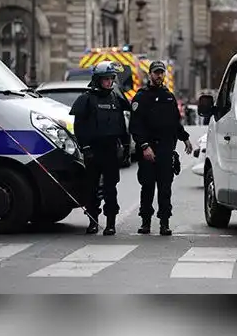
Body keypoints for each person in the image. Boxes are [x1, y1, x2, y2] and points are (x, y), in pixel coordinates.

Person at [130, 60, 193, 236]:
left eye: (161, 73)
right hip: (149, 149)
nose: (159, 76)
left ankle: (164, 222)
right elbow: (136, 125)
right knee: (148, 187)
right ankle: (146, 222)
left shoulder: (168, 96)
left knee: (165, 188)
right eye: (156, 72)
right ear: (150, 74)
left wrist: (185, 138)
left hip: (165, 149)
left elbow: (175, 122)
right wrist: (144, 146)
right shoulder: (141, 97)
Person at [71, 60, 131, 235]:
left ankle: (111, 222)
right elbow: (79, 127)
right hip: (93, 151)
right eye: (105, 79)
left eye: (111, 79)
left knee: (110, 189)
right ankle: (93, 221)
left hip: (111, 150)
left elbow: (121, 125)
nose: (109, 82)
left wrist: (126, 146)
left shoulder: (116, 99)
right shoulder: (86, 99)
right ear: (98, 79)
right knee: (92, 188)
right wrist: (86, 148)